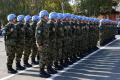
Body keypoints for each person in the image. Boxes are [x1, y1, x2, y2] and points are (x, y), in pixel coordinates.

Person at [36, 10, 51, 78]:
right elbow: (38, 35)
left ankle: (43, 70)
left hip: (46, 44)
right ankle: (41, 71)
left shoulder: (45, 23)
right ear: (43, 16)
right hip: (42, 44)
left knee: (45, 57)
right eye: (46, 16)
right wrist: (40, 44)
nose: (48, 17)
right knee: (42, 58)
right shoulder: (40, 24)